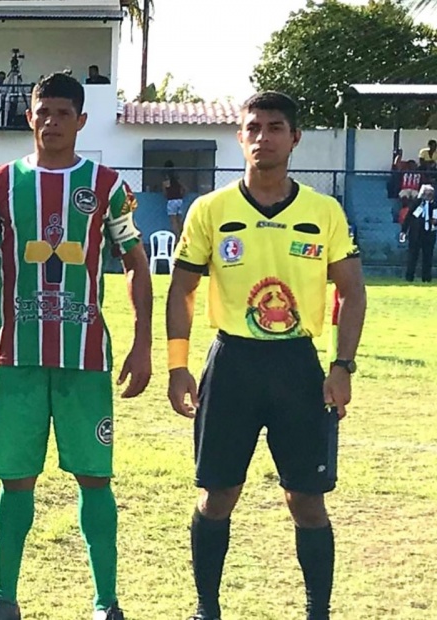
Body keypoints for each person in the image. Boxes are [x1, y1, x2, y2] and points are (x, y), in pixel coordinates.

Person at [0, 73, 150, 620]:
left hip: (84, 356)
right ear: (30, 117)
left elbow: (135, 261)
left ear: (81, 121)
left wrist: (142, 344)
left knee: (95, 476)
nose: (52, 121)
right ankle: (6, 598)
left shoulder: (107, 185)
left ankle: (105, 601)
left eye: (64, 113)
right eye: (44, 111)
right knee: (16, 478)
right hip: (16, 354)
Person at [166, 91, 367, 620]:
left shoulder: (323, 212)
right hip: (231, 363)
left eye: (275, 127)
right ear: (240, 137)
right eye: (253, 128)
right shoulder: (211, 209)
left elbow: (352, 290)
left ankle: (317, 610)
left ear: (294, 137)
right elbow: (181, 290)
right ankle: (206, 608)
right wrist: (177, 365)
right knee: (218, 495)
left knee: (306, 499)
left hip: (297, 367)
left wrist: (341, 365)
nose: (263, 137)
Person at [403, 184, 437, 282]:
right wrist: (404, 231)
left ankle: (426, 277)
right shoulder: (416, 203)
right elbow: (409, 217)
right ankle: (409, 277)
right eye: (426, 193)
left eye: (430, 194)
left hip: (429, 234)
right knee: (413, 256)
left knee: (428, 256)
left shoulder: (435, 205)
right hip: (416, 234)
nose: (428, 196)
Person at [164, 160, 187, 237]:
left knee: (173, 221)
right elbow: (185, 188)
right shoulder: (177, 178)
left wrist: (167, 195)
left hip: (171, 200)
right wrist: (182, 195)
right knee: (180, 219)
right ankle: (182, 236)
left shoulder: (166, 179)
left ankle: (177, 238)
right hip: (179, 200)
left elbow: (165, 191)